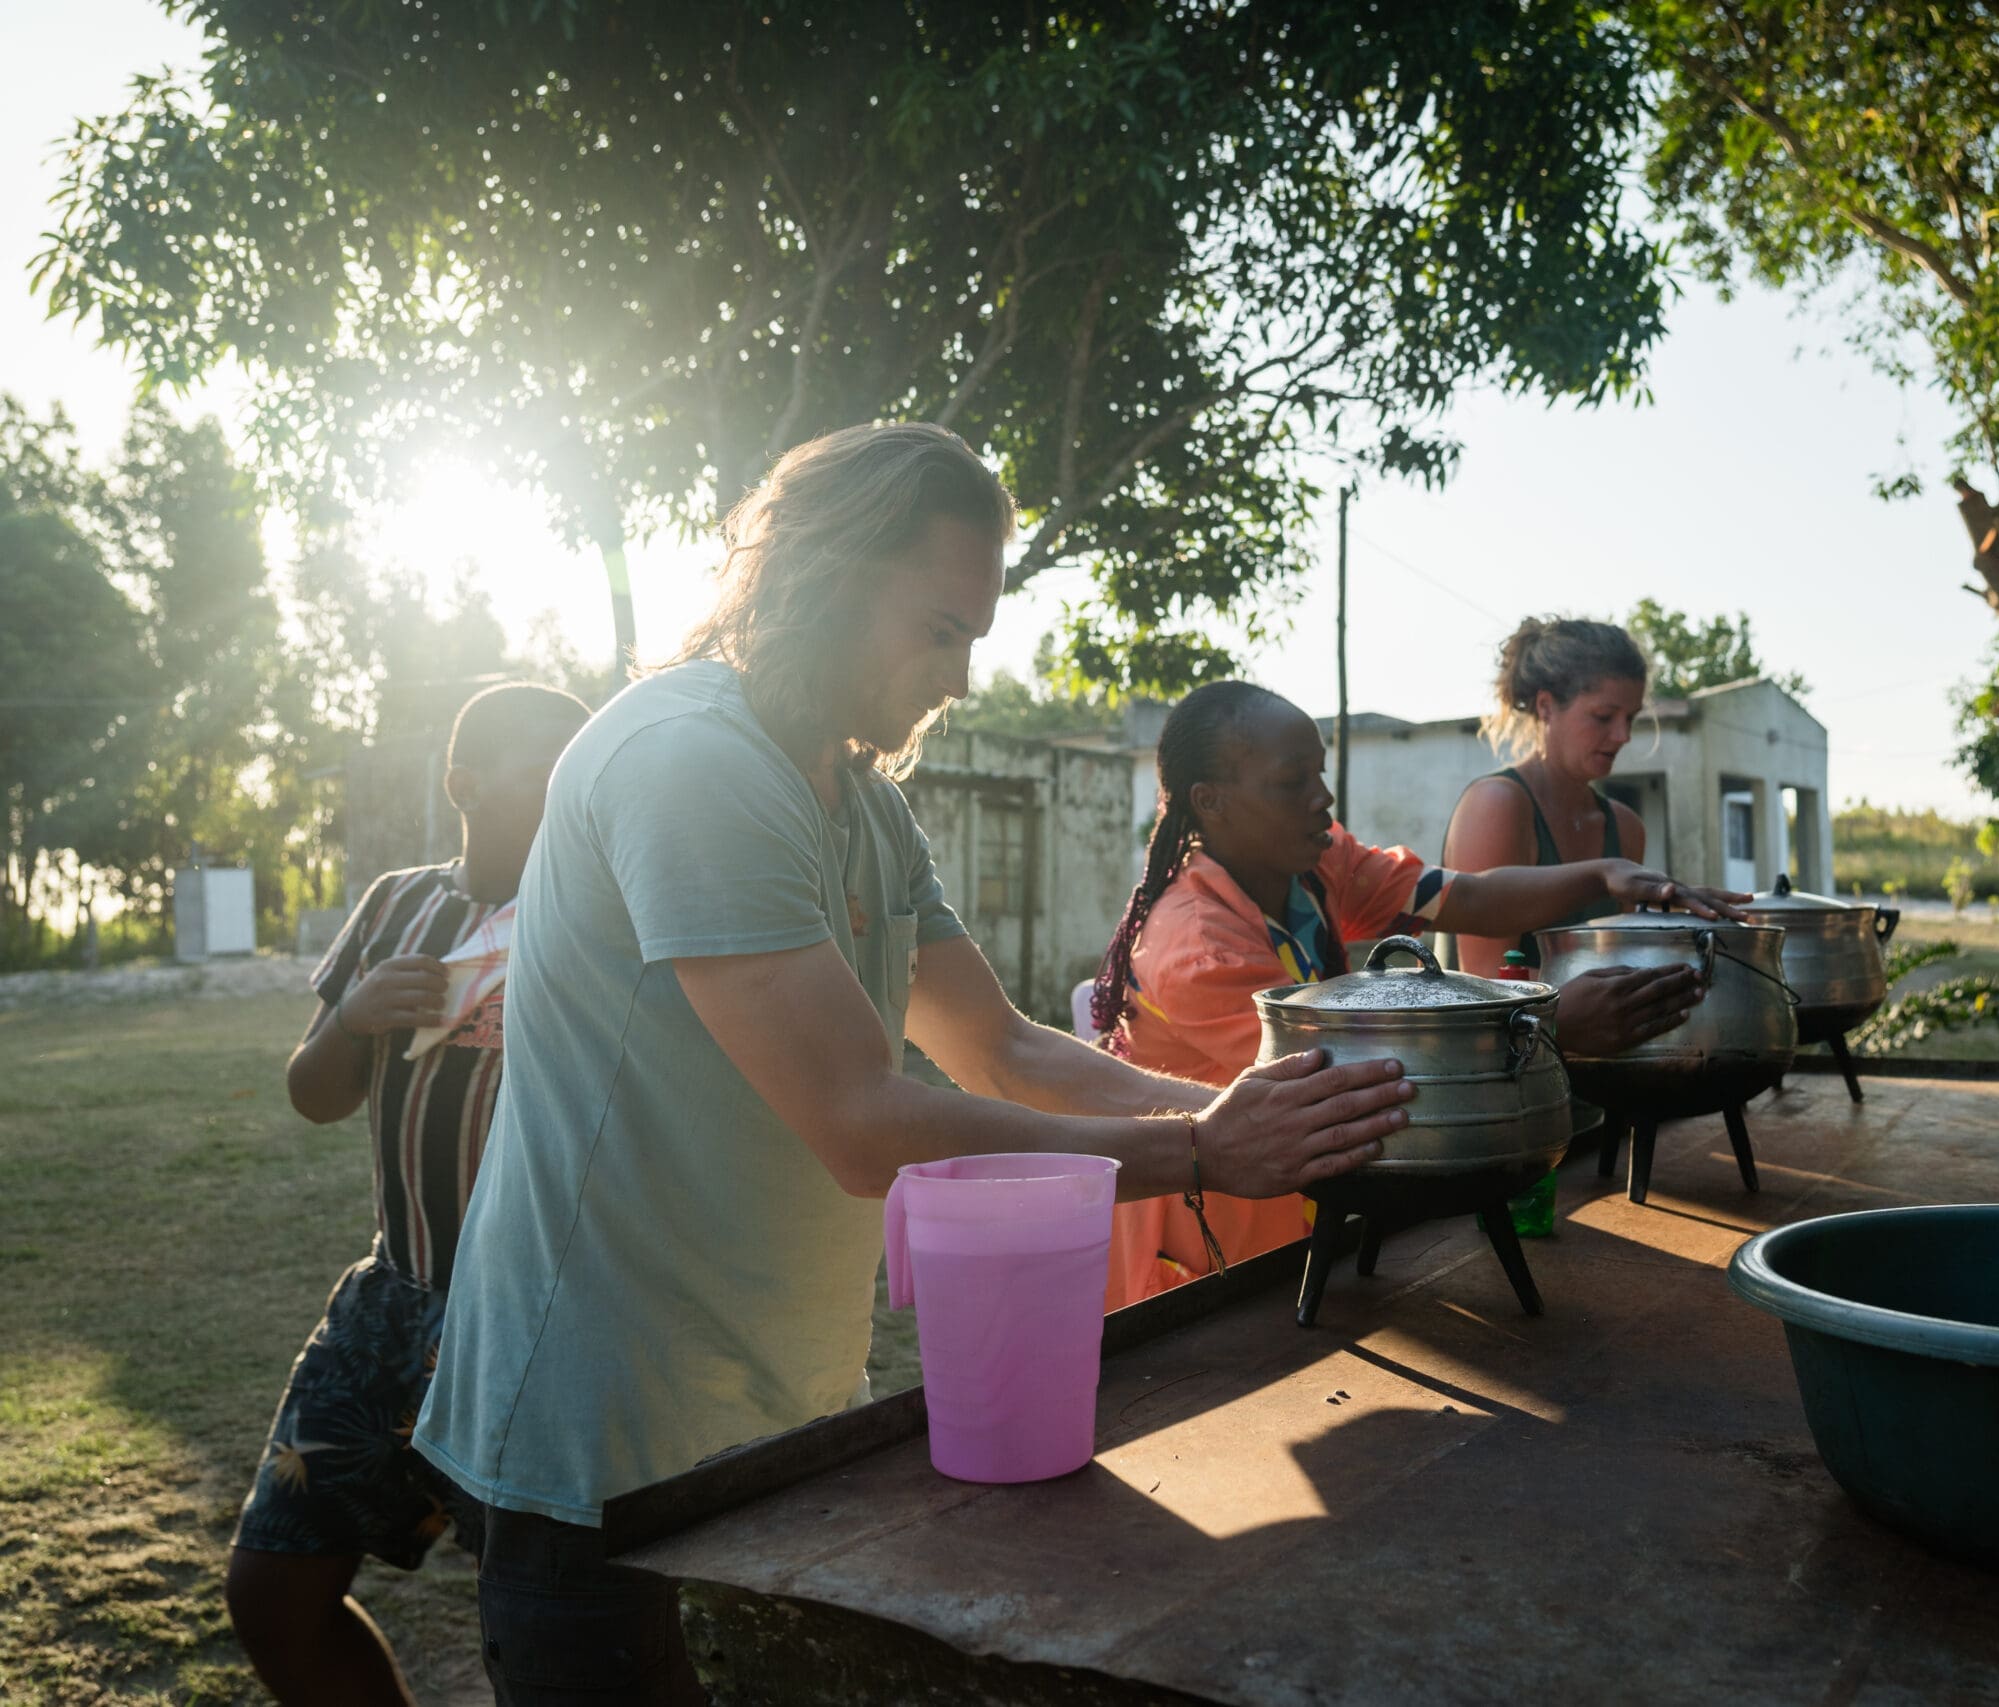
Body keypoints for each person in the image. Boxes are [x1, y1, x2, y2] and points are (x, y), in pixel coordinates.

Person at [410, 423, 1414, 1704]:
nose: (956, 675)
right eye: (938, 630)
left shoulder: (859, 798)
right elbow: (858, 1120)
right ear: (821, 578)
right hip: (598, 1417)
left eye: (973, 639)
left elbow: (995, 1047)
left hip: (767, 1401)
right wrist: (1202, 1149)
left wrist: (1231, 1111)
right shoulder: (689, 759)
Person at [1087, 680, 1740, 1308]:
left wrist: (1605, 872)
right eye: (1293, 782)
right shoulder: (1197, 945)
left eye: (1320, 772)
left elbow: (1466, 896)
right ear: (1211, 801)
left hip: (1312, 1216)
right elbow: (1338, 1088)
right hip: (1224, 1256)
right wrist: (1549, 1026)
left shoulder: (1314, 863)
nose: (1323, 797)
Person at [227, 682, 591, 1707]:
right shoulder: (398, 905)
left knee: (545, 1633)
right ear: (461, 784)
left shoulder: (600, 916)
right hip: (395, 1300)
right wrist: (353, 1015)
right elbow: (313, 1094)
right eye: (546, 773)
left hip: (537, 1327)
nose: (575, 794)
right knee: (271, 1596)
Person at [1443, 616, 1700, 1057]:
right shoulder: (1498, 806)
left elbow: (1617, 966)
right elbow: (1484, 990)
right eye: (1603, 717)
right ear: (1546, 706)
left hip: (1595, 1081)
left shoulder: (1624, 826)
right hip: (1496, 1080)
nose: (1622, 736)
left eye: (1631, 718)